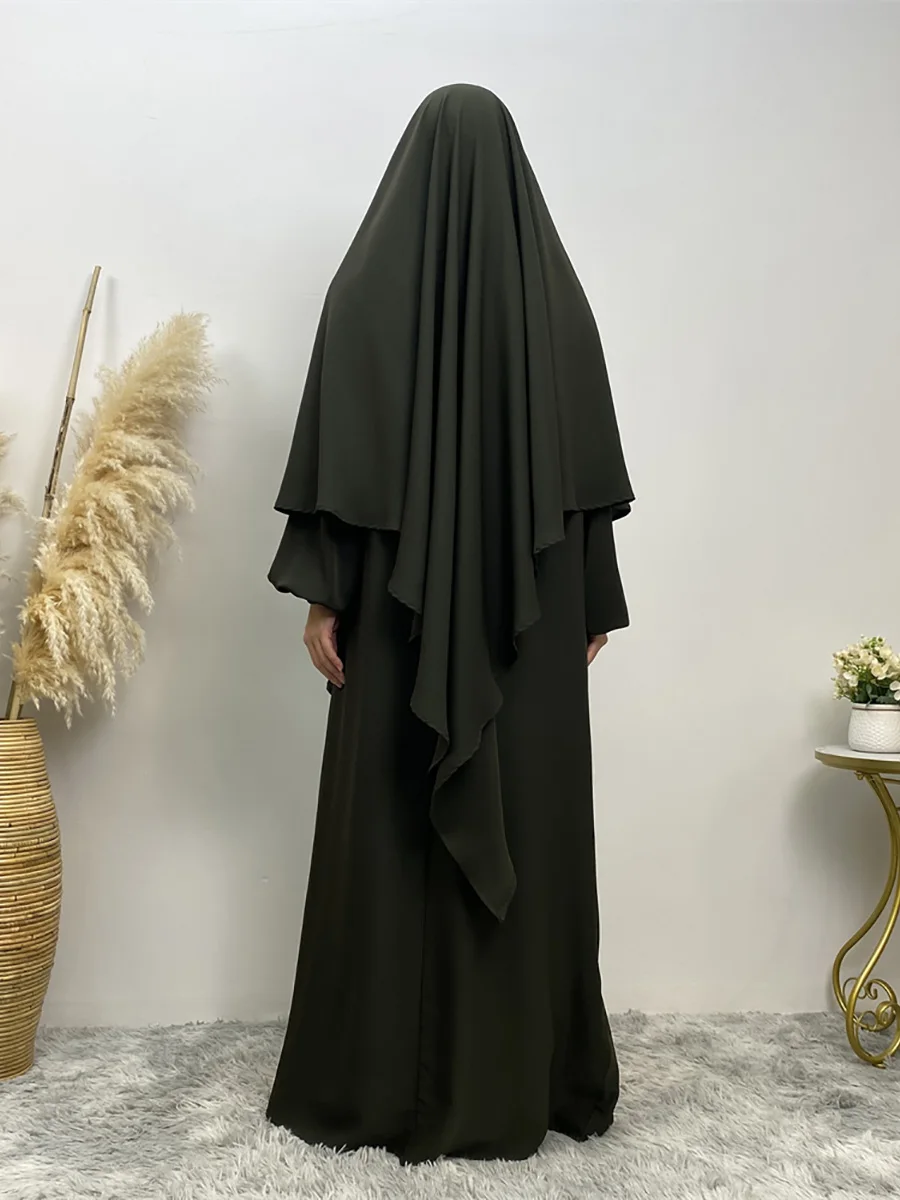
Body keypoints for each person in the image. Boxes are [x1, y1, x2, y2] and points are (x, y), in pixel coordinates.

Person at [265, 82, 633, 1165]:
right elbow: (585, 496)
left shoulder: (361, 297)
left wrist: (327, 595)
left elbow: (335, 475)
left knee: (389, 822)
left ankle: (374, 1084)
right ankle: (529, 1081)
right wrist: (590, 606)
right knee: (525, 818)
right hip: (534, 624)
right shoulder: (560, 308)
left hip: (395, 621)